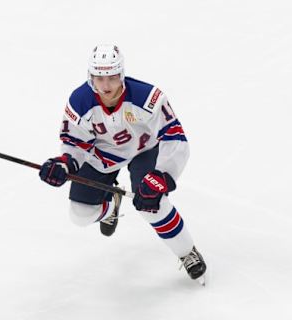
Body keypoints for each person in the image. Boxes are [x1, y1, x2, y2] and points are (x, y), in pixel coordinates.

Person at [39, 44, 206, 282]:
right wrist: (64, 164)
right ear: (91, 76)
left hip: (145, 151)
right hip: (104, 155)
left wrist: (163, 174)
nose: (105, 86)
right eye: (99, 78)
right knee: (80, 214)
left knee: (152, 204)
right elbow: (74, 143)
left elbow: (175, 137)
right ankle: (111, 203)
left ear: (122, 75)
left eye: (112, 77)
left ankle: (187, 252)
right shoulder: (79, 102)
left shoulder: (148, 97)